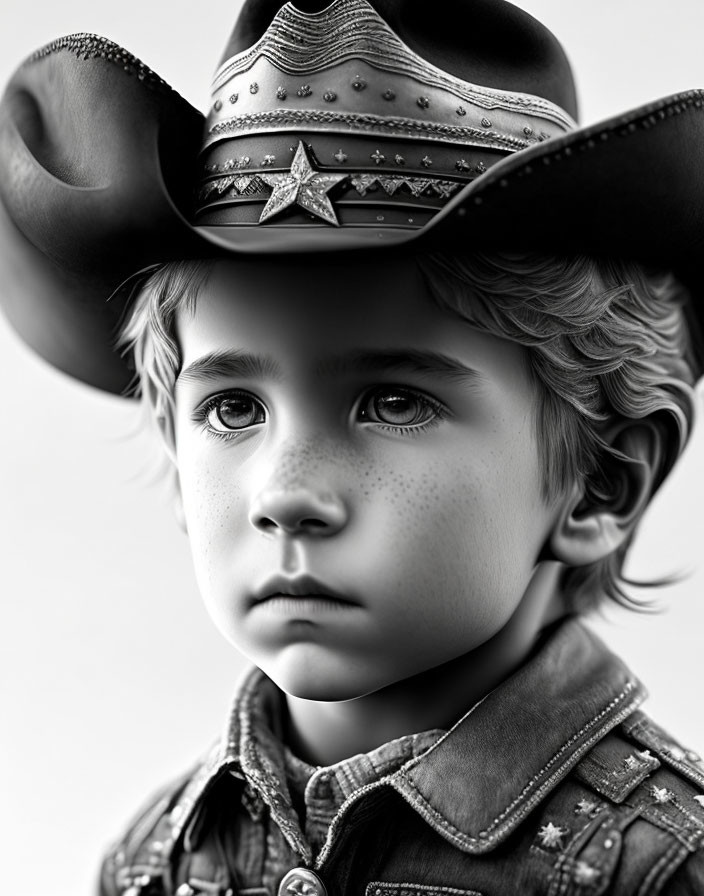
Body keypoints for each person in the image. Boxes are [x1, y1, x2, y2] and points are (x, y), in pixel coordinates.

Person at [1, 0, 704, 893]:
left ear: (602, 480)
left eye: (395, 402)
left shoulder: (658, 868)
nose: (284, 493)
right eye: (231, 410)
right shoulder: (158, 861)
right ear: (178, 465)